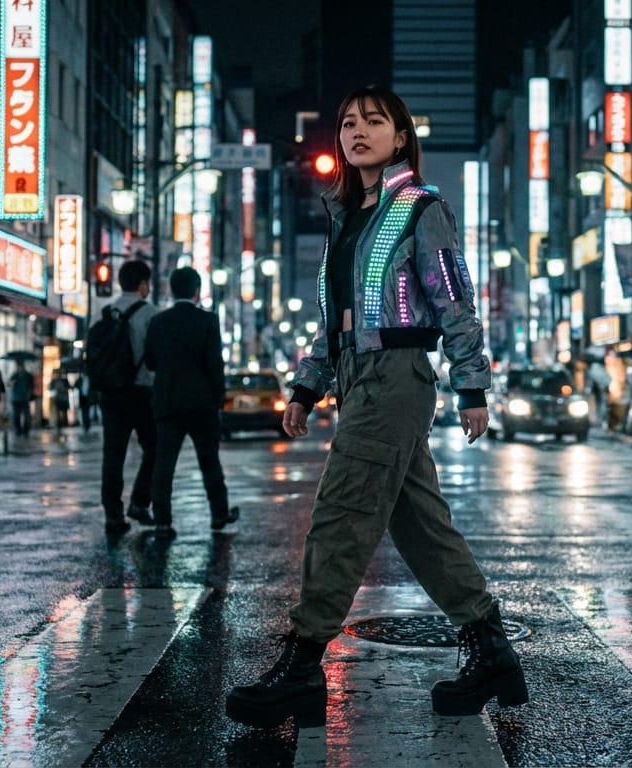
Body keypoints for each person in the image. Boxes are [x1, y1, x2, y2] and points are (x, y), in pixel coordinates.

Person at [225, 86, 525, 729]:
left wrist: (472, 386)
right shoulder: (345, 217)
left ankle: (303, 664)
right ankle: (491, 650)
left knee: (341, 513)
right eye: (348, 123)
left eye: (373, 121)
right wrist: (307, 386)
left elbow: (453, 299)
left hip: (397, 377)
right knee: (419, 526)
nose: (357, 131)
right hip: (357, 377)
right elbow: (338, 321)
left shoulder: (420, 207)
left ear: (400, 136)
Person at [142, 267, 239, 540]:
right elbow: (214, 363)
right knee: (209, 461)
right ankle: (219, 514)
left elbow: (150, 361)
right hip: (201, 402)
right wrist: (218, 397)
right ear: (196, 290)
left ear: (171, 290)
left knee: (164, 464)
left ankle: (162, 520)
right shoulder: (207, 321)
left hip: (168, 401)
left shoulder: (159, 321)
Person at [99, 260, 160, 534]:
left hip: (110, 393)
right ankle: (139, 501)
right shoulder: (150, 314)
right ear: (143, 284)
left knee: (113, 455)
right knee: (155, 448)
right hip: (140, 392)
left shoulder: (104, 312)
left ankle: (113, 515)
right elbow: (155, 358)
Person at [9, 361, 34, 437]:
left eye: (20, 367)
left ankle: (25, 431)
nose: (19, 368)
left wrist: (29, 394)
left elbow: (31, 386)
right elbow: (10, 385)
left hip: (25, 399)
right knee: (16, 416)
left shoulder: (28, 375)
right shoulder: (14, 375)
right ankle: (18, 430)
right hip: (16, 399)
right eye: (18, 367)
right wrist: (12, 381)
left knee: (27, 416)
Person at [49, 368, 71, 441]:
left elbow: (68, 387)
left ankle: (62, 424)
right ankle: (60, 425)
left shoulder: (62, 380)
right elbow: (50, 388)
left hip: (62, 399)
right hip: (58, 399)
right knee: (59, 413)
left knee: (62, 413)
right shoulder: (55, 381)